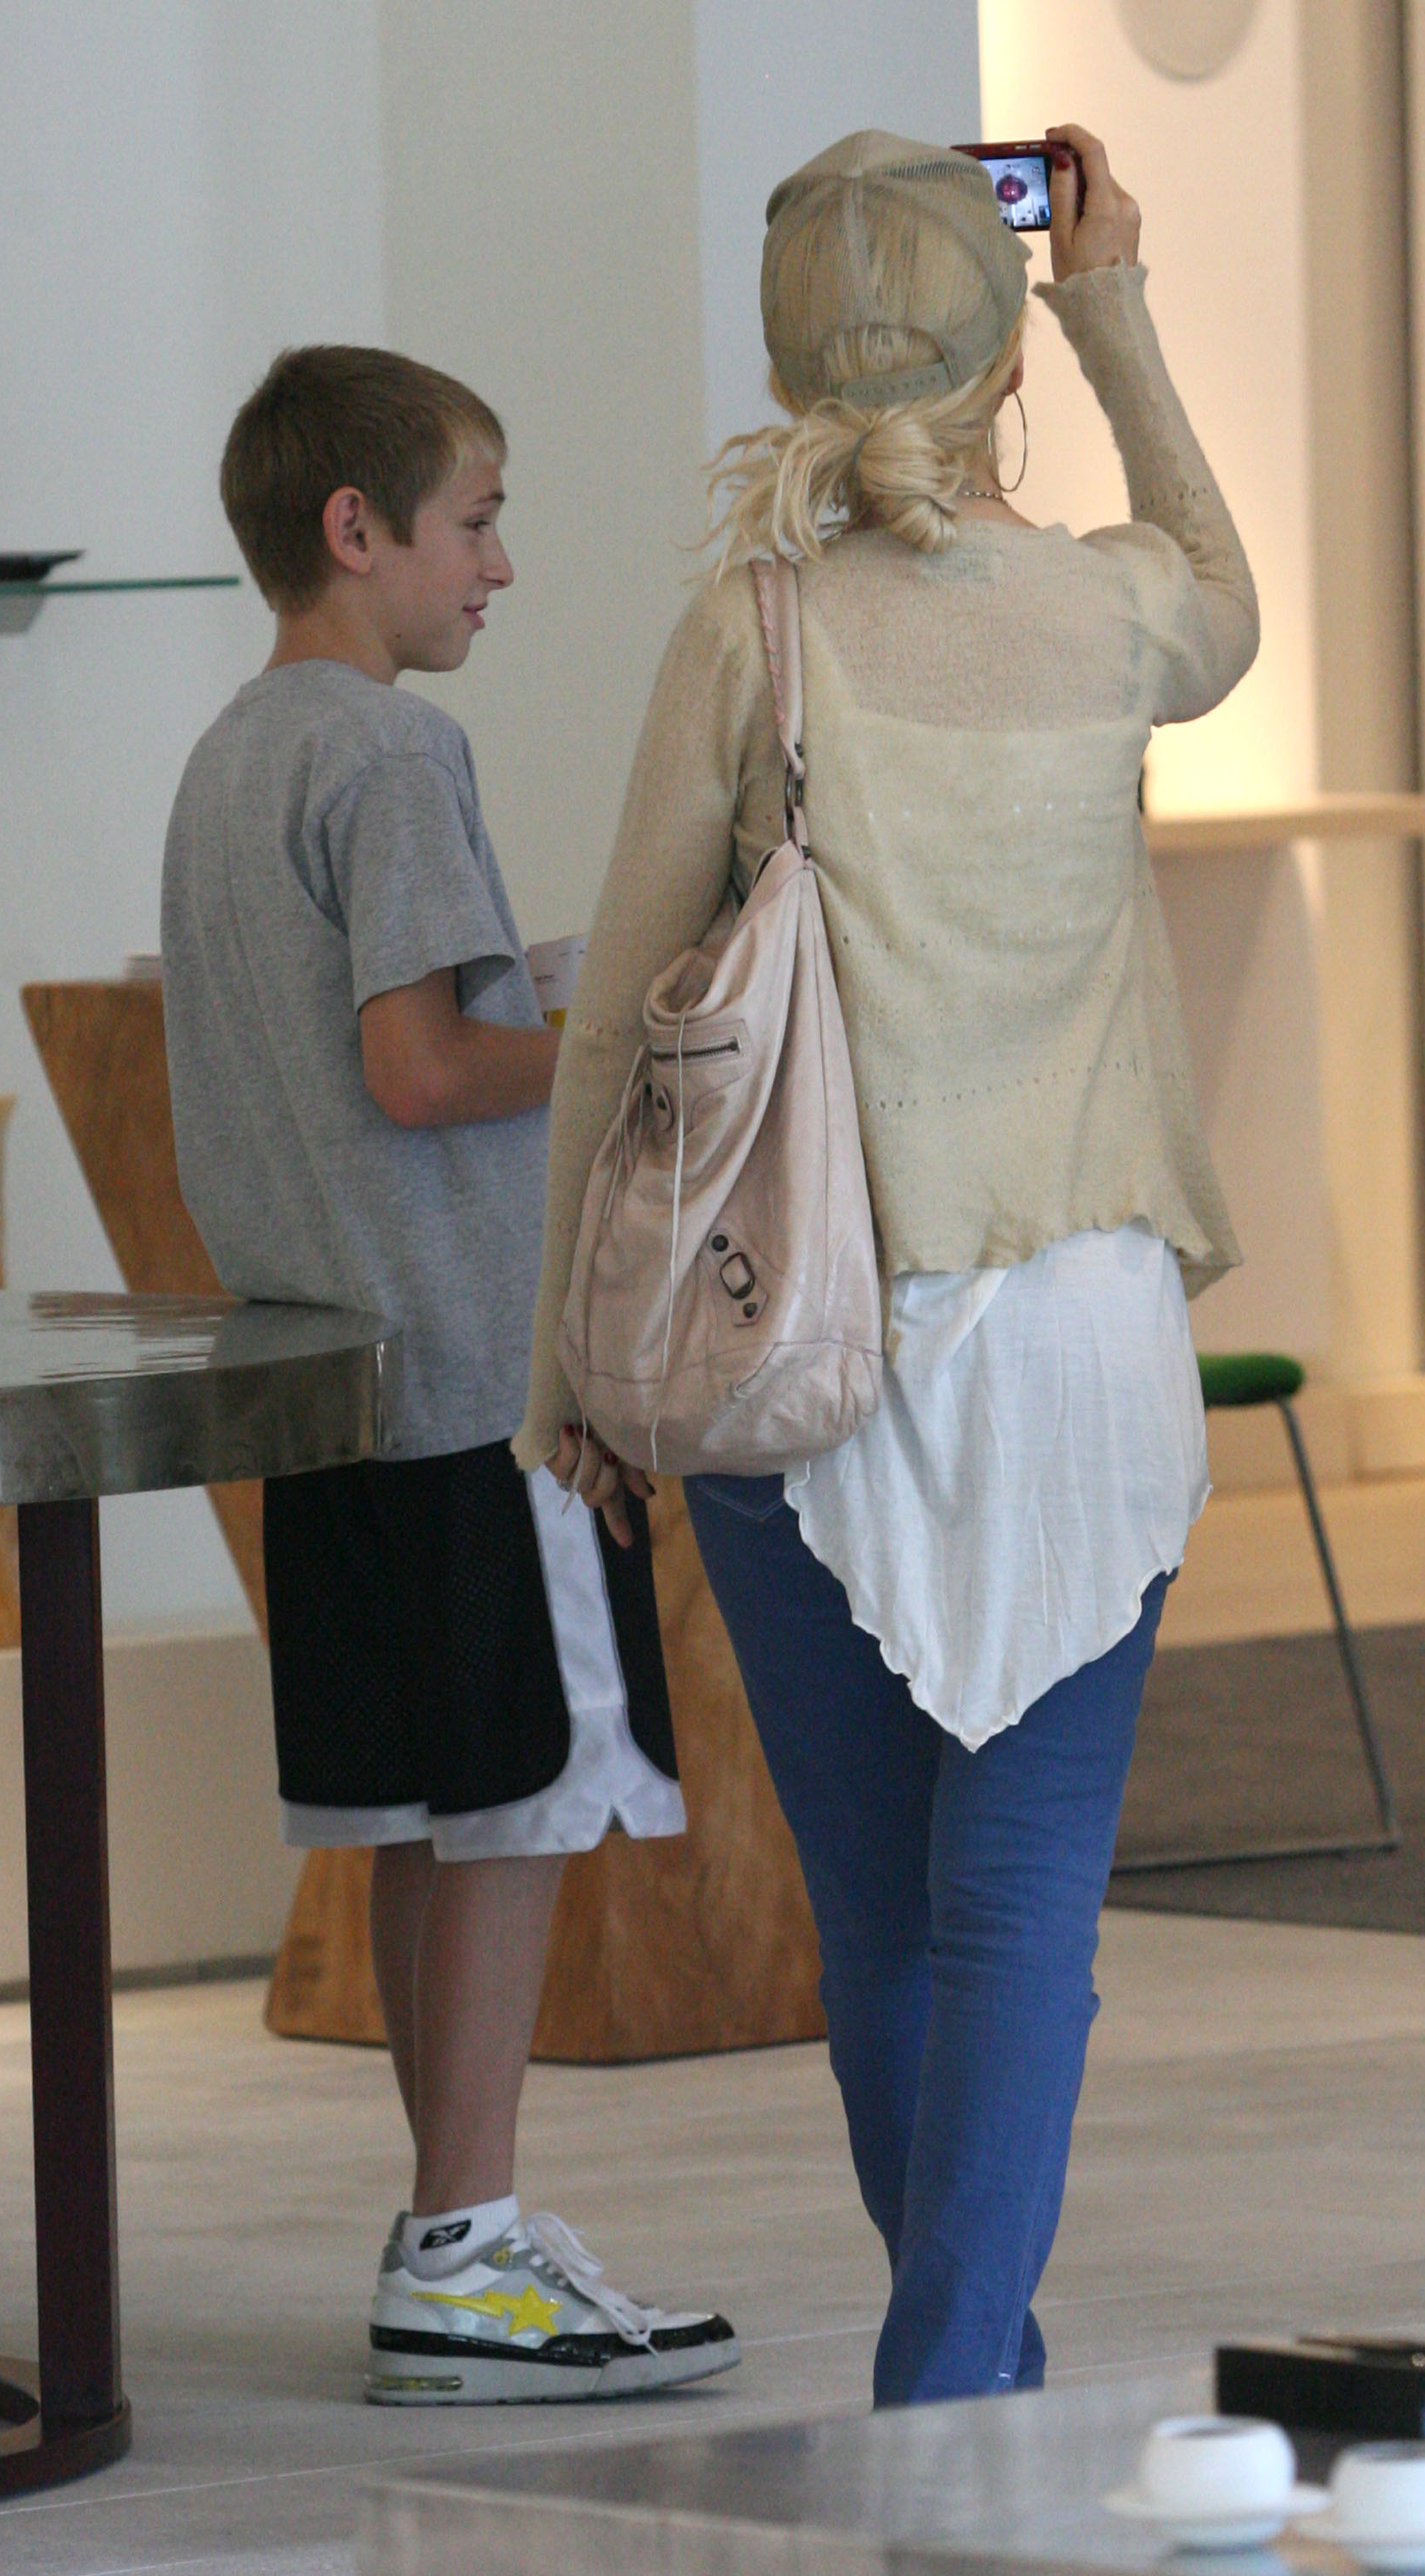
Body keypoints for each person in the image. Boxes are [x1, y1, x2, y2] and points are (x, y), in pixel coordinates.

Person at [518, 128, 1256, 2406]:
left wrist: (564, 1356)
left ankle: (961, 2381)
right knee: (1020, 1907)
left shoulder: (746, 635)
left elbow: (616, 1024)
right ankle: (954, 2386)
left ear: (786, 365)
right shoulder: (1114, 614)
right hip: (1085, 1346)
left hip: (803, 1347)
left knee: (882, 1922)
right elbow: (1226, 602)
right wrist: (1116, 306)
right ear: (1002, 353)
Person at [160, 344, 736, 2404]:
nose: (500, 565)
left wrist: (549, 999)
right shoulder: (393, 757)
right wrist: (643, 1038)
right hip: (478, 1379)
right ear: (357, 528)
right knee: (514, 1807)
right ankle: (466, 2251)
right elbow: (418, 1072)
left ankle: (452, 2236)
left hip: (339, 1381)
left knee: (425, 1814)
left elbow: (351, 1065)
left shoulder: (235, 754)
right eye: (475, 521)